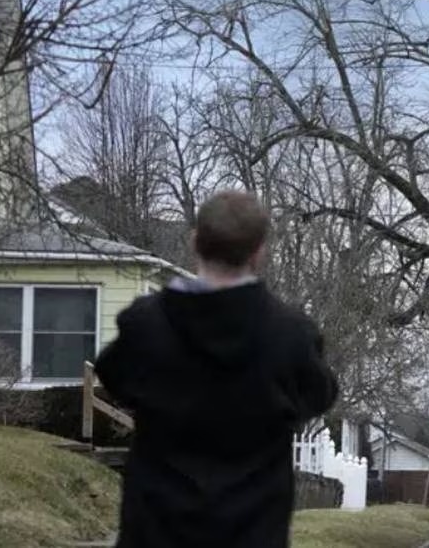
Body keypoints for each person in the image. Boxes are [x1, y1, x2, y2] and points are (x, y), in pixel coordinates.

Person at [95, 190, 339, 548]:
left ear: (194, 241)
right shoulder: (290, 336)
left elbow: (113, 376)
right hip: (252, 533)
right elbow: (319, 395)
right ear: (259, 252)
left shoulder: (146, 326)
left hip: (156, 530)